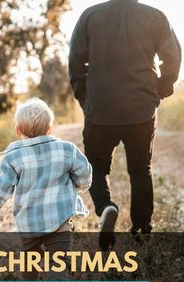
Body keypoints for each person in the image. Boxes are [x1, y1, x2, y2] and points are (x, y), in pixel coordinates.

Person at [69, 0, 181, 245]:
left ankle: (106, 207)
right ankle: (141, 229)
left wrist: (86, 100)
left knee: (96, 168)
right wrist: (160, 90)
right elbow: (173, 57)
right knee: (141, 169)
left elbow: (75, 62)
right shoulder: (155, 16)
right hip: (141, 109)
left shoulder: (90, 16)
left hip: (100, 109)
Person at [0, 98, 92, 282]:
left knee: (30, 257)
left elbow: (1, 188)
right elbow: (85, 173)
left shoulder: (13, 157)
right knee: (59, 261)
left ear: (17, 129)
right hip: (60, 221)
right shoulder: (67, 149)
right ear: (50, 128)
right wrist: (78, 187)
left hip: (29, 223)